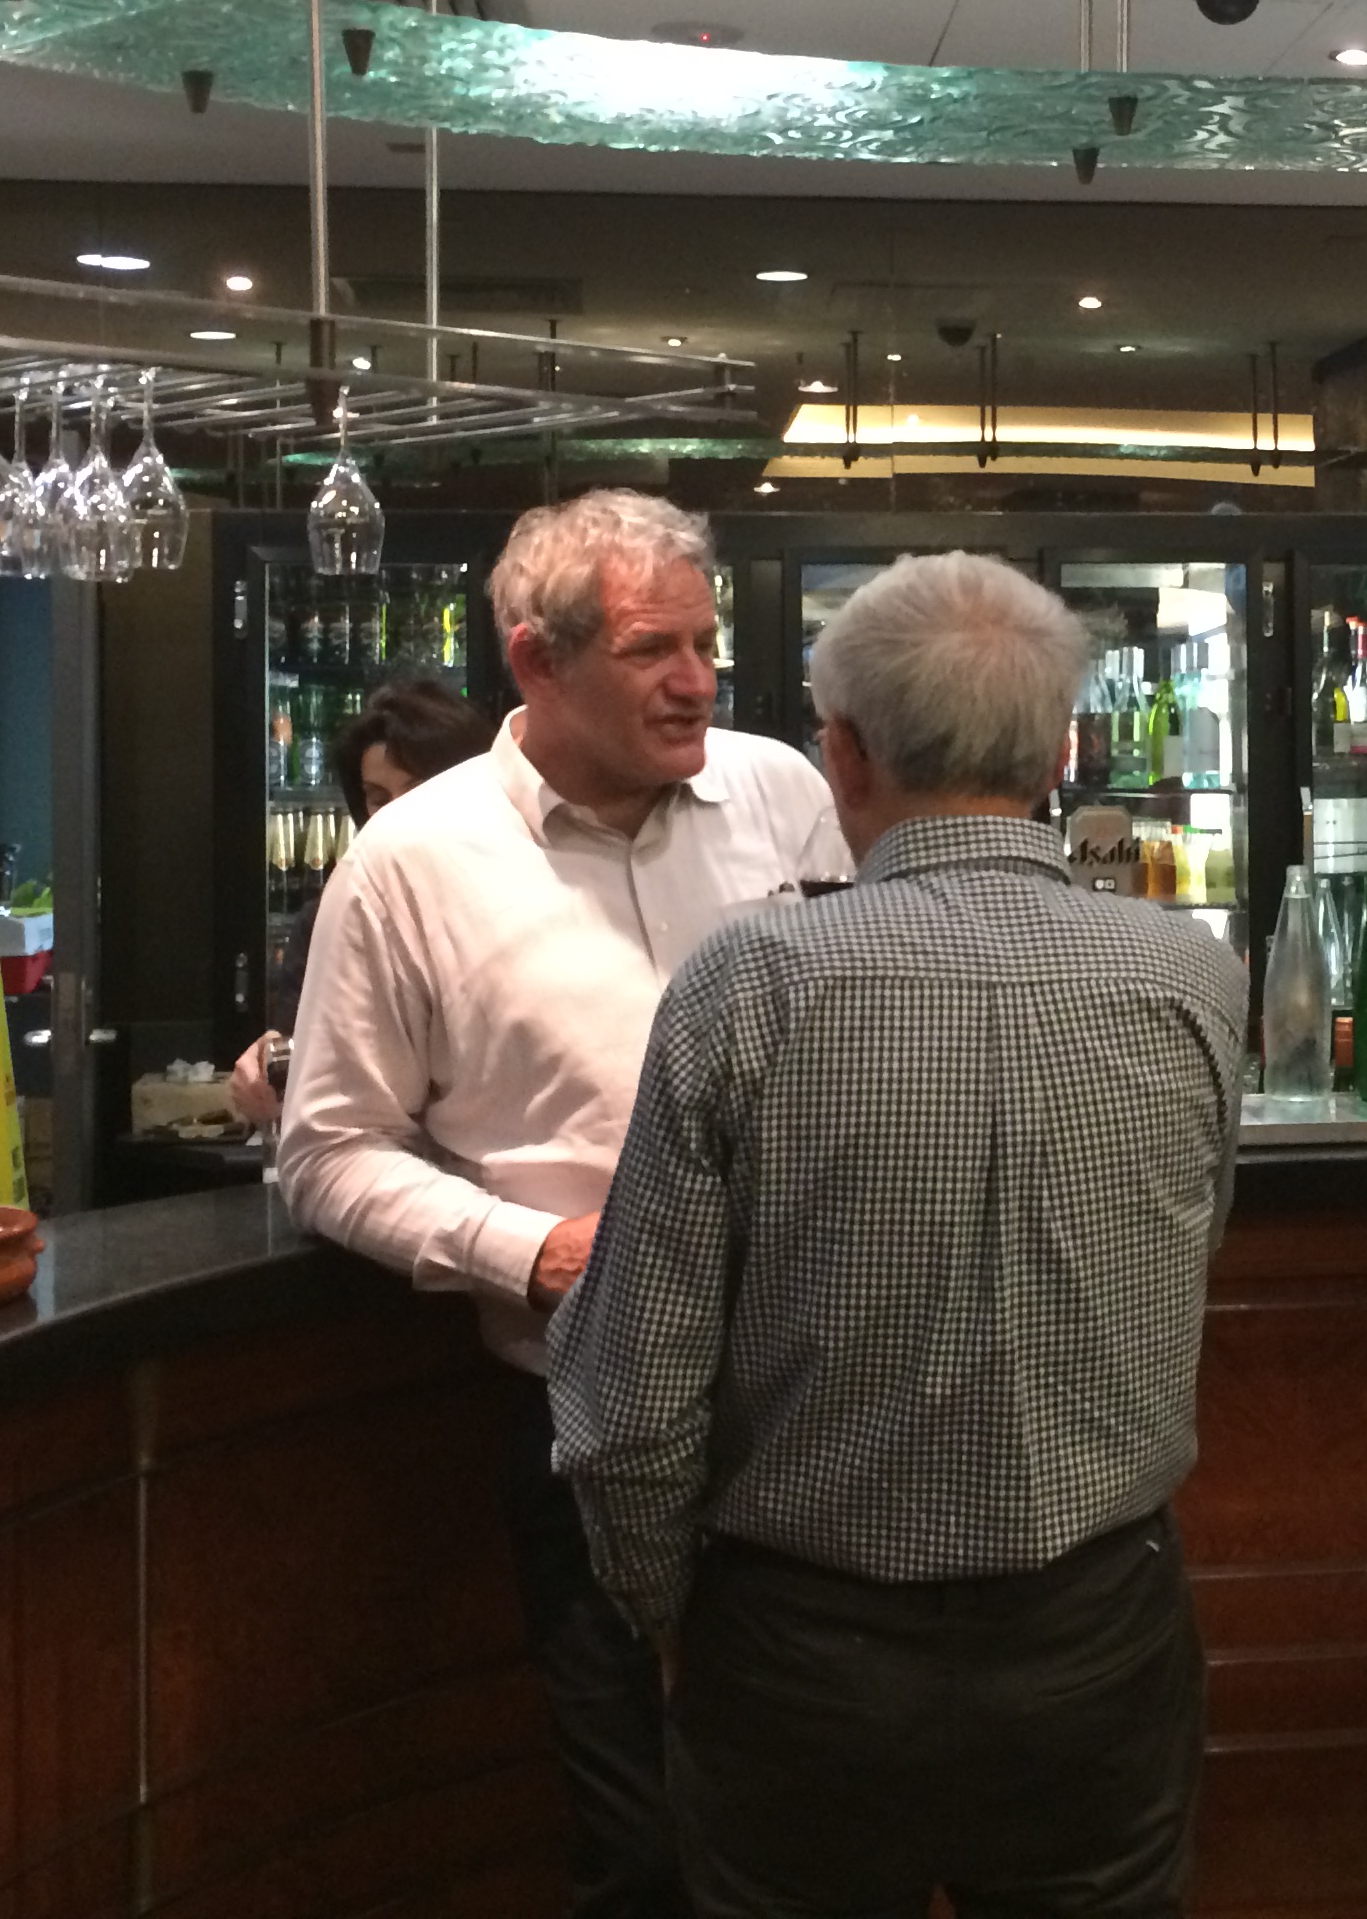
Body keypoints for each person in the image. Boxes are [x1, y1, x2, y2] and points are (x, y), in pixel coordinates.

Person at [549, 553, 1242, 1919]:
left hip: (803, 1647)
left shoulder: (749, 983)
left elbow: (630, 1407)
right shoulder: (1190, 976)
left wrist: (672, 1617)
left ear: (845, 755)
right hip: (1101, 1634)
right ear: (1061, 753)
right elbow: (1199, 1246)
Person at [281, 488, 850, 1919]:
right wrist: (527, 1252)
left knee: (822, 1831)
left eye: (707, 646)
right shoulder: (409, 865)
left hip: (814, 1397)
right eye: (656, 650)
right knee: (644, 1848)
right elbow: (327, 1150)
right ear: (537, 660)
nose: (698, 681)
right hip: (585, 1414)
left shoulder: (782, 793)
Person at [228, 671, 497, 1129]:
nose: (396, 814)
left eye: (418, 790)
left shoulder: (520, 897)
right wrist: (265, 1070)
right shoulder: (329, 918)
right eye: (377, 798)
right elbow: (298, 1048)